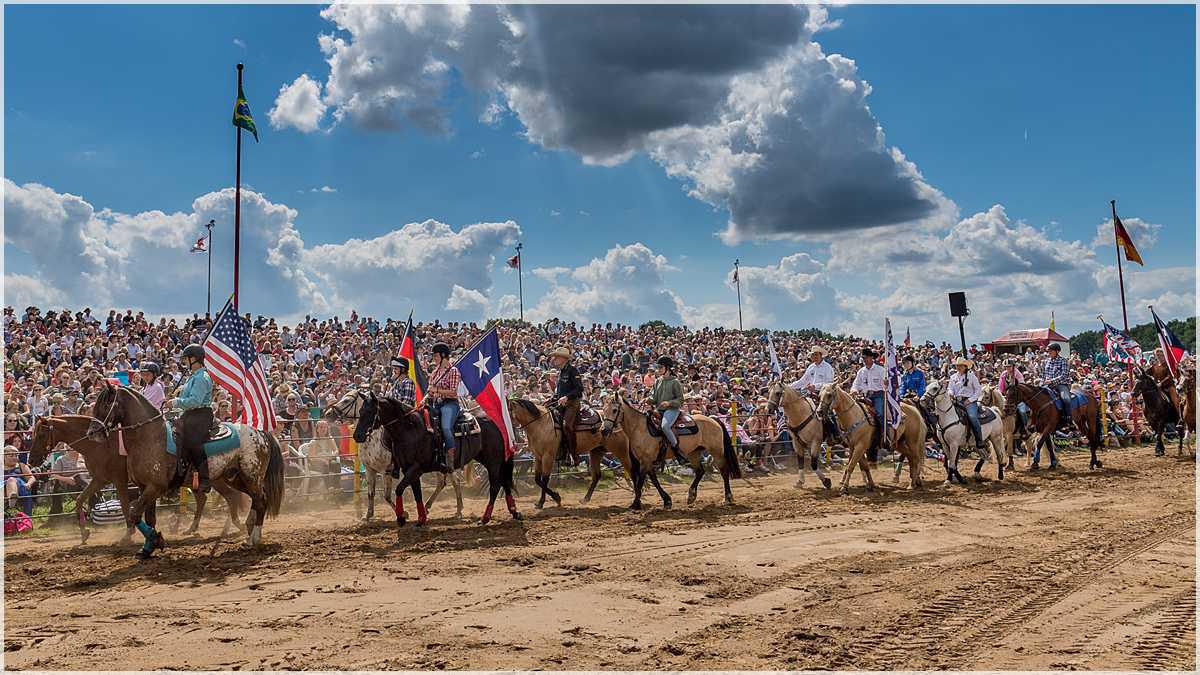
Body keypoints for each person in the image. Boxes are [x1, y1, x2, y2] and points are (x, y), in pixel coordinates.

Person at [167, 344, 214, 488]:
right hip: (190, 414)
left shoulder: (201, 378)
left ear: (194, 359)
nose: (185, 362)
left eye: (186, 359)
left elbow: (195, 401)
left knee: (193, 441)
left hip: (199, 415)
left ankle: (204, 478)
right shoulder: (193, 377)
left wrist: (175, 402)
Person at [423, 343, 460, 473]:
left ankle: (450, 458)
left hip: (450, 403)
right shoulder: (435, 372)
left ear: (443, 355)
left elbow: (453, 392)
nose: (434, 358)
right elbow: (430, 391)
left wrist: (436, 389)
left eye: (436, 355)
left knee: (445, 427)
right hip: (436, 403)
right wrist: (426, 397)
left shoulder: (453, 371)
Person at [546, 346, 582, 465]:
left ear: (564, 359)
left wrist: (567, 397)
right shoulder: (561, 372)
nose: (554, 359)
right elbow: (560, 391)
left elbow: (579, 389)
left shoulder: (573, 371)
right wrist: (552, 398)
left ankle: (574, 455)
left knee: (567, 426)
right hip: (561, 403)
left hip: (572, 404)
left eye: (557, 357)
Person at [646, 356, 684, 467]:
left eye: (660, 367)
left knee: (665, 426)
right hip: (659, 410)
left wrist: (669, 403)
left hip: (671, 410)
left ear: (668, 368)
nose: (658, 369)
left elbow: (680, 400)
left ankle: (678, 451)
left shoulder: (675, 382)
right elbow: (653, 397)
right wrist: (648, 399)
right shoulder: (657, 381)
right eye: (658, 367)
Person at [850, 348, 887, 458]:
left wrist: (886, 384)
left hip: (878, 395)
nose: (864, 360)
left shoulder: (881, 370)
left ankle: (884, 436)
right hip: (865, 396)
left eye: (866, 358)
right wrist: (853, 390)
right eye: (863, 358)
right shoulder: (861, 371)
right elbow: (855, 384)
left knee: (880, 414)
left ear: (871, 358)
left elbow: (890, 382)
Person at [948, 357, 985, 451]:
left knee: (972, 416)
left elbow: (978, 390)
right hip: (956, 400)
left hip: (969, 401)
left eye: (960, 366)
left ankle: (979, 439)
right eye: (957, 366)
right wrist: (951, 393)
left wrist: (971, 400)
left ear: (965, 367)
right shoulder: (953, 377)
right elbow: (950, 388)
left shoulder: (972, 376)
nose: (958, 367)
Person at [1042, 343, 1071, 410]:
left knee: (1066, 399)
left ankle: (1068, 417)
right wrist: (1043, 381)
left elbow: (1064, 375)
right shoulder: (1046, 361)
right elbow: (1043, 374)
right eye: (1048, 351)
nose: (1049, 353)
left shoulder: (1063, 361)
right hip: (1047, 385)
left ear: (1057, 351)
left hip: (1061, 385)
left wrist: (1051, 381)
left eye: (1051, 351)